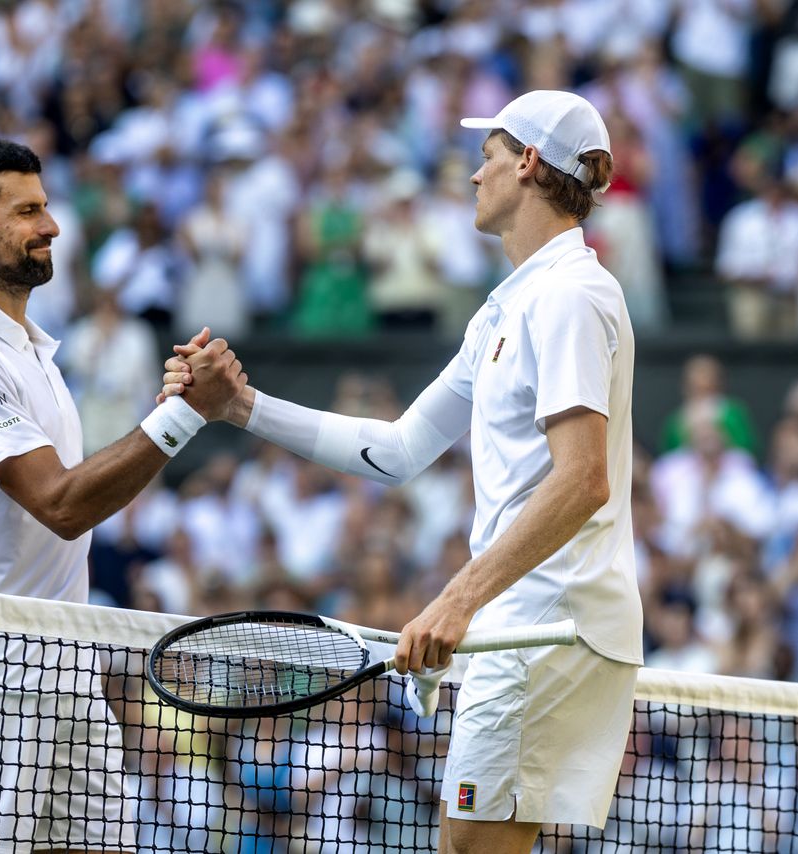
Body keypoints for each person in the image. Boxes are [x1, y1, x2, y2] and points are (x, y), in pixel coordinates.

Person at [163, 90, 642, 853]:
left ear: (527, 162)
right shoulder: (508, 307)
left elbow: (583, 480)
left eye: (487, 156)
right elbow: (397, 449)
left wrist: (457, 600)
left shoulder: (569, 295)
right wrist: (242, 407)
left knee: (468, 848)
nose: (474, 174)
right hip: (527, 626)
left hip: (547, 623)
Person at [0, 138, 246, 853]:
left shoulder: (36, 353)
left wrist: (171, 408)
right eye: (27, 211)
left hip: (69, 667)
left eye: (46, 207)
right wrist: (184, 416)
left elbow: (81, 492)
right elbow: (61, 505)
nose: (51, 225)